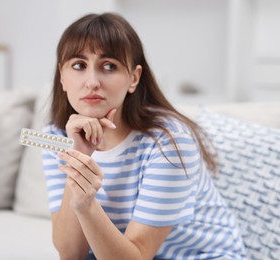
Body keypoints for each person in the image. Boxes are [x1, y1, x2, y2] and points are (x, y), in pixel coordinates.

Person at [42, 12, 247, 259]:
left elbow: (137, 254)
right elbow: (70, 254)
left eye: (109, 66)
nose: (92, 81)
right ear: (62, 77)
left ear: (133, 78)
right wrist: (78, 156)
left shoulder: (168, 142)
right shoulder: (55, 136)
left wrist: (87, 205)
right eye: (79, 65)